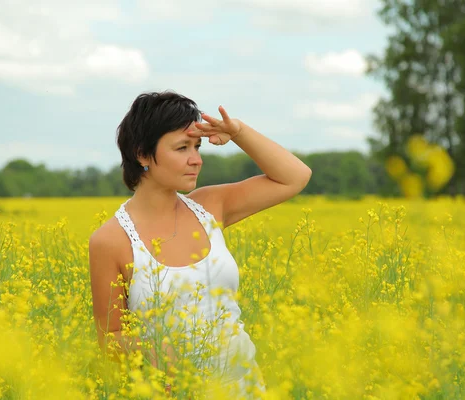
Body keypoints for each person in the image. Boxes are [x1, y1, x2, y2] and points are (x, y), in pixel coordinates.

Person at [89, 91, 312, 398]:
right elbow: (109, 337)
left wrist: (238, 133)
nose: (196, 159)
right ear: (142, 154)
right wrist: (148, 348)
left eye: (197, 146)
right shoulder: (110, 240)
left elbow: (295, 177)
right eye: (182, 148)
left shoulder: (209, 206)